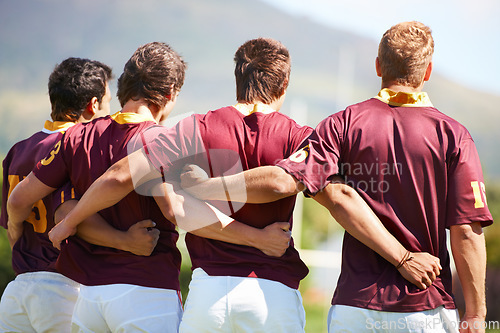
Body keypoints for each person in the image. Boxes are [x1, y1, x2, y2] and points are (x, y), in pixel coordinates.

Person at [49, 38, 441, 333]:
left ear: (237, 78)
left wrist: (69, 222)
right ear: (284, 85)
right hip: (272, 294)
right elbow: (338, 197)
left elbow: (125, 178)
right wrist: (402, 257)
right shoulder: (301, 136)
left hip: (207, 293)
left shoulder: (196, 125)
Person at [182, 22, 493, 333]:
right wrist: (477, 312)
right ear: (427, 72)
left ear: (378, 66)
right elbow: (466, 232)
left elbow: (287, 181)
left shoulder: (341, 125)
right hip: (423, 305)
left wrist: (208, 186)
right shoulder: (454, 136)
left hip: (353, 307)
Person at [7, 42, 293, 333]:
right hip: (146, 292)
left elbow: (28, 202)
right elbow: (178, 209)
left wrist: (40, 233)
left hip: (89, 298)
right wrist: (257, 238)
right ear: (170, 94)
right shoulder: (161, 138)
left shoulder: (77, 136)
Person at [0, 57, 154, 332]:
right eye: (108, 103)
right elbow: (67, 215)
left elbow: (14, 224)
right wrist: (126, 241)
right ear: (93, 105)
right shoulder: (76, 148)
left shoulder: (17, 150)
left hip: (18, 289)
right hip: (62, 288)